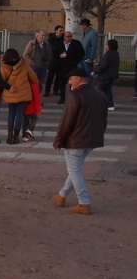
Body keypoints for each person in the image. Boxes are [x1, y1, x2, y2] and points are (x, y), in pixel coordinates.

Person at [52, 68, 109, 215]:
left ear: (78, 79)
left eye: (70, 79)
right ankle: (62, 195)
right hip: (90, 140)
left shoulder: (75, 96)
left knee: (74, 171)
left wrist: (58, 140)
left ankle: (84, 202)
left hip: (76, 140)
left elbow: (67, 121)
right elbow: (103, 119)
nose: (69, 82)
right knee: (75, 170)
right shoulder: (100, 95)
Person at [0, 48, 37, 144]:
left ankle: (9, 136)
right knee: (19, 114)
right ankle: (16, 136)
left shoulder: (4, 66)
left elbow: (2, 80)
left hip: (11, 93)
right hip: (23, 93)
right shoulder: (23, 64)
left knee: (11, 114)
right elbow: (34, 77)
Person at [55, 31, 85, 104]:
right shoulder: (59, 43)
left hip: (72, 66)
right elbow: (54, 53)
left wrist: (76, 61)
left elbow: (82, 53)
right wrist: (59, 56)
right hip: (62, 66)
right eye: (67, 37)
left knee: (73, 83)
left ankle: (73, 98)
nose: (69, 38)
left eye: (70, 36)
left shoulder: (76, 43)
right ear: (64, 37)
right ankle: (62, 98)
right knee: (62, 82)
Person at [92, 38, 119, 111]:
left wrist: (95, 71)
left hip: (105, 75)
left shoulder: (108, 54)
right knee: (108, 90)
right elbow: (109, 63)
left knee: (99, 90)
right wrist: (100, 64)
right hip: (112, 75)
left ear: (109, 46)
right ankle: (110, 104)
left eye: (107, 44)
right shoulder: (116, 53)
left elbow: (104, 65)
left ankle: (96, 104)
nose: (106, 46)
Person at [45, 25, 65, 97]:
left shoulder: (63, 39)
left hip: (61, 61)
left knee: (59, 76)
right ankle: (47, 90)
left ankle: (56, 90)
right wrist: (59, 53)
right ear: (56, 31)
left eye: (62, 31)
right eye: (60, 31)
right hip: (53, 60)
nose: (61, 32)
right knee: (50, 76)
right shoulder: (51, 39)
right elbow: (51, 49)